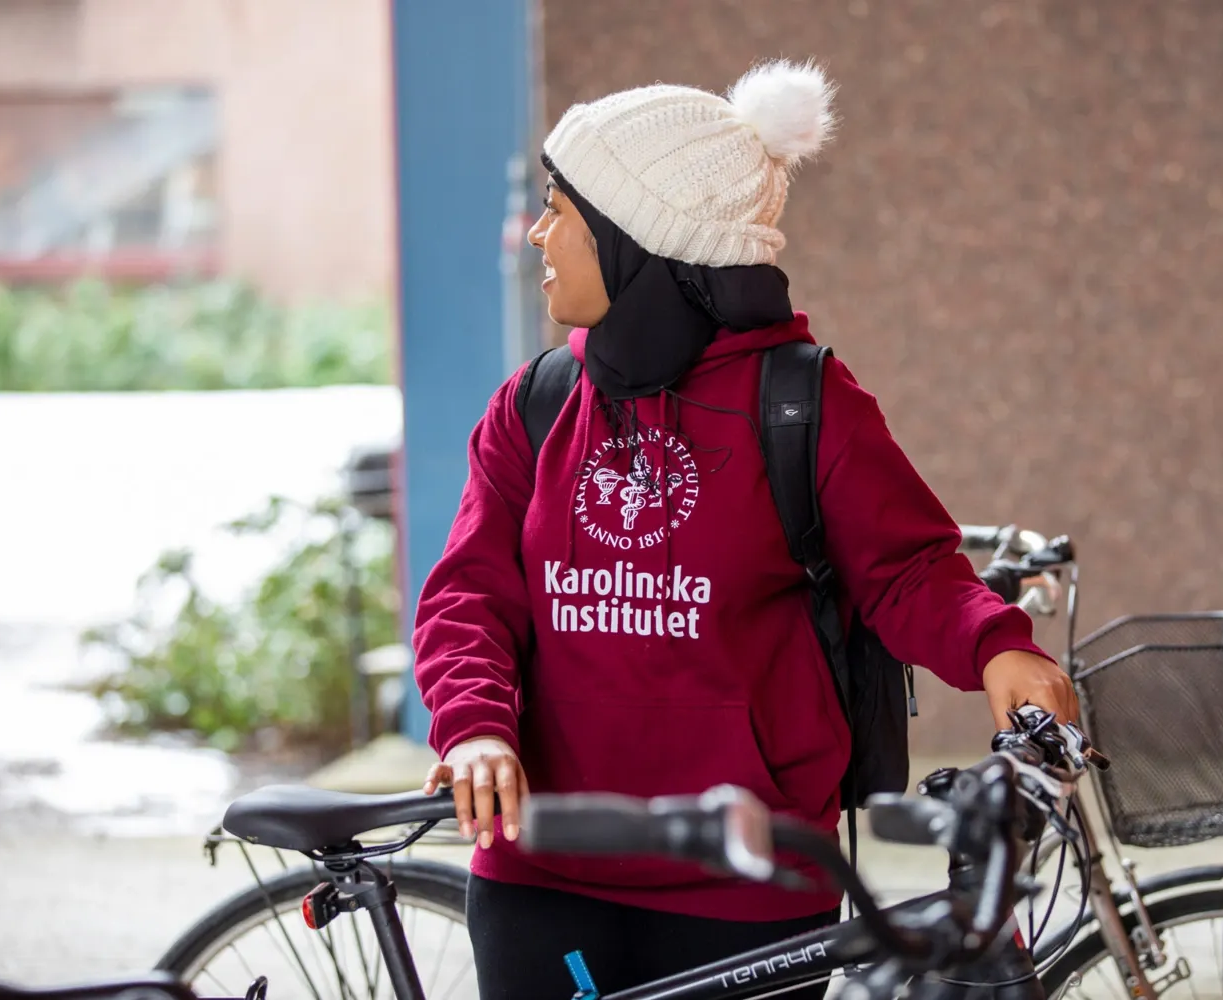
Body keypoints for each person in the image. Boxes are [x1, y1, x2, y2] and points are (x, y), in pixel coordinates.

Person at [413, 58, 1078, 999]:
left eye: (564, 210)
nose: (539, 235)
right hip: (544, 871)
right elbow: (470, 595)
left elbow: (909, 571)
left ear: (636, 237)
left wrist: (997, 647)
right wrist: (474, 727)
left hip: (749, 877)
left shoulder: (803, 403)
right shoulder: (536, 403)